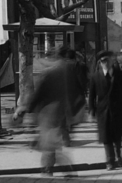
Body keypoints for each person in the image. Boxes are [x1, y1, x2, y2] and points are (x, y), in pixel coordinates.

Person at [21, 47, 87, 177]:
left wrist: (27, 110)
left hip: (49, 116)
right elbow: (78, 92)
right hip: (62, 114)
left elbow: (38, 95)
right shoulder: (69, 72)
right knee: (52, 147)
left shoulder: (50, 73)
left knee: (49, 147)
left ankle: (52, 172)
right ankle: (64, 172)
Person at [88, 51, 122, 170]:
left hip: (118, 110)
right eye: (103, 61)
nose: (105, 63)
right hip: (102, 112)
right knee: (106, 137)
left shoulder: (121, 75)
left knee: (117, 135)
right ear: (100, 63)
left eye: (107, 60)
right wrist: (92, 110)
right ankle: (110, 161)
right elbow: (92, 95)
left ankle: (118, 155)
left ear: (112, 61)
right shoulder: (95, 77)